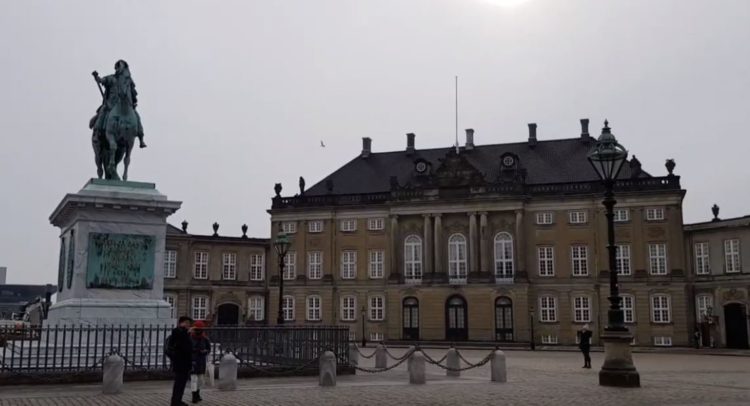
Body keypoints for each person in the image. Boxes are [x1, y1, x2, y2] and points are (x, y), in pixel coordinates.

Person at [92, 60, 147, 148]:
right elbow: (102, 80)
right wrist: (97, 78)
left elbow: (133, 91)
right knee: (102, 112)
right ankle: (97, 133)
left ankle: (141, 138)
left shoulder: (128, 80)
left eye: (120, 66)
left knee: (136, 116)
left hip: (126, 104)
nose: (118, 69)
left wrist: (133, 101)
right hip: (111, 104)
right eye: (117, 67)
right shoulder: (112, 78)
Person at [170, 316, 194, 406]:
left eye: (189, 323)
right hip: (180, 362)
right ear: (182, 323)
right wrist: (186, 332)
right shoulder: (177, 331)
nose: (188, 325)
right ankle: (175, 401)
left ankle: (178, 400)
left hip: (185, 362)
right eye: (187, 323)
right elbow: (181, 344)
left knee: (182, 383)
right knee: (179, 383)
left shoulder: (184, 333)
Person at [189, 320, 211, 404]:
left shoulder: (205, 338)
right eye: (196, 329)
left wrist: (204, 351)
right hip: (193, 360)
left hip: (201, 361)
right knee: (194, 379)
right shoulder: (190, 338)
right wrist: (196, 350)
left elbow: (209, 349)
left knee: (201, 379)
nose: (198, 331)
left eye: (199, 329)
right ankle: (194, 396)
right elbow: (187, 349)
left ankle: (197, 393)